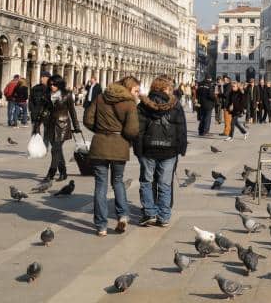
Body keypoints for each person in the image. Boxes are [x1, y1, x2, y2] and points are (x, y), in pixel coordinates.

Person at [83, 76, 140, 237]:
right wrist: (121, 134)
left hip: (99, 144)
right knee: (118, 181)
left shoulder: (101, 98)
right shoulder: (129, 103)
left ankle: (101, 226)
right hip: (119, 146)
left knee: (100, 185)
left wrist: (100, 131)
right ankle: (122, 215)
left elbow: (87, 119)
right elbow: (132, 131)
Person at [134, 75, 187, 227]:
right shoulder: (175, 105)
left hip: (148, 149)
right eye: (169, 88)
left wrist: (139, 149)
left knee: (146, 181)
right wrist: (181, 147)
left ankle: (150, 213)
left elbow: (138, 130)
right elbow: (181, 128)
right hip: (169, 151)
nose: (171, 90)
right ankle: (164, 216)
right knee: (164, 184)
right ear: (164, 88)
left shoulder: (143, 105)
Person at [34, 74, 81, 181]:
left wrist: (76, 126)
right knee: (57, 150)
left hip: (63, 125)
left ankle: (51, 172)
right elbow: (43, 110)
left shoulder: (67, 94)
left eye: (55, 84)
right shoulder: (46, 94)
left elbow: (72, 111)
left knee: (55, 149)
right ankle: (63, 172)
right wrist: (37, 124)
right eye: (50, 84)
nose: (52, 86)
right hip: (50, 124)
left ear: (60, 84)